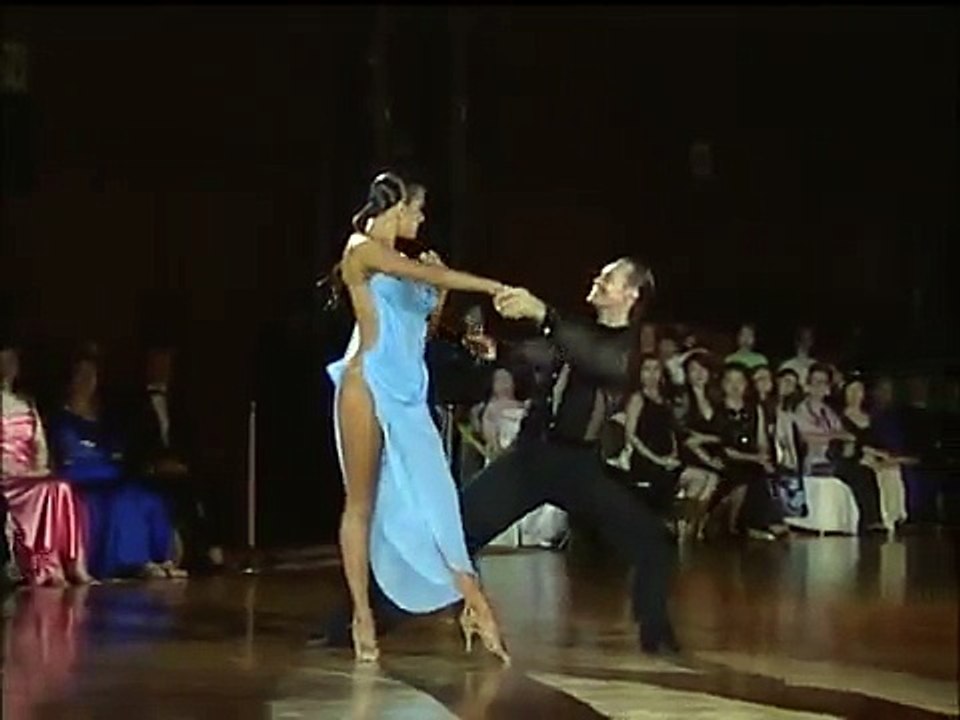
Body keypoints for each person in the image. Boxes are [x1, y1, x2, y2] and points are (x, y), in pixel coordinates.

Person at [312, 255, 680, 656]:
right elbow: (540, 352)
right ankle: (351, 622)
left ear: (632, 293)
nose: (598, 280)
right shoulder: (577, 331)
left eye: (609, 278)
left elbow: (597, 356)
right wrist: (496, 349)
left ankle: (657, 637)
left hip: (578, 468)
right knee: (446, 541)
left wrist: (540, 311)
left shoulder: (625, 348)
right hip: (533, 459)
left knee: (653, 542)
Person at [325, 171, 509, 664]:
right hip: (367, 384)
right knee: (360, 504)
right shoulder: (362, 250)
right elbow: (432, 278)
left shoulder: (405, 263)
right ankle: (362, 615)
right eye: (418, 209)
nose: (422, 219)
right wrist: (494, 287)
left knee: (439, 499)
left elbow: (420, 334)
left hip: (407, 391)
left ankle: (475, 606)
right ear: (398, 207)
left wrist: (443, 299)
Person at [51, 354, 180, 580]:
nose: (87, 381)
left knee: (144, 495)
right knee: (120, 500)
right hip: (80, 479)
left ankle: (160, 557)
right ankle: (131, 563)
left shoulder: (105, 417)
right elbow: (66, 456)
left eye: (92, 375)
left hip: (111, 474)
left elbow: (117, 451)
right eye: (82, 375)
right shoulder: (59, 418)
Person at [1, 339, 92, 586]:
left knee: (60, 486)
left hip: (27, 472)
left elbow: (38, 444)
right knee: (43, 490)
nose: (8, 367)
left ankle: (71, 562)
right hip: (7, 478)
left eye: (12, 361)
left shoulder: (25, 402)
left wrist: (39, 467)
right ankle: (42, 566)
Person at [126, 344, 225, 573]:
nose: (163, 370)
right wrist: (154, 465)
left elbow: (189, 440)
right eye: (158, 363)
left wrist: (184, 463)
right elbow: (132, 445)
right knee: (179, 490)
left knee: (203, 483)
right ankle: (187, 553)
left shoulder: (178, 402)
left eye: (167, 365)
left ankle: (209, 549)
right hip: (149, 468)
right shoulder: (132, 404)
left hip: (177, 466)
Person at [793, 364, 885, 534]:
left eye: (824, 383)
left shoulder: (829, 412)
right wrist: (835, 437)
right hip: (817, 460)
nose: (820, 387)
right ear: (808, 386)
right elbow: (806, 436)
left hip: (835, 457)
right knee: (857, 471)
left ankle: (872, 520)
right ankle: (869, 520)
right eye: (816, 382)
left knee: (864, 470)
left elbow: (844, 433)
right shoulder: (802, 410)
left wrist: (841, 438)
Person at [839, 376, 911, 531]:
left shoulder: (871, 417)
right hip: (855, 456)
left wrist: (883, 455)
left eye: (858, 390)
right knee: (871, 468)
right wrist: (871, 452)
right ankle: (875, 518)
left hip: (873, 455)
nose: (855, 394)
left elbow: (878, 441)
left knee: (892, 470)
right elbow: (853, 443)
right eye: (851, 390)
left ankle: (895, 516)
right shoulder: (840, 417)